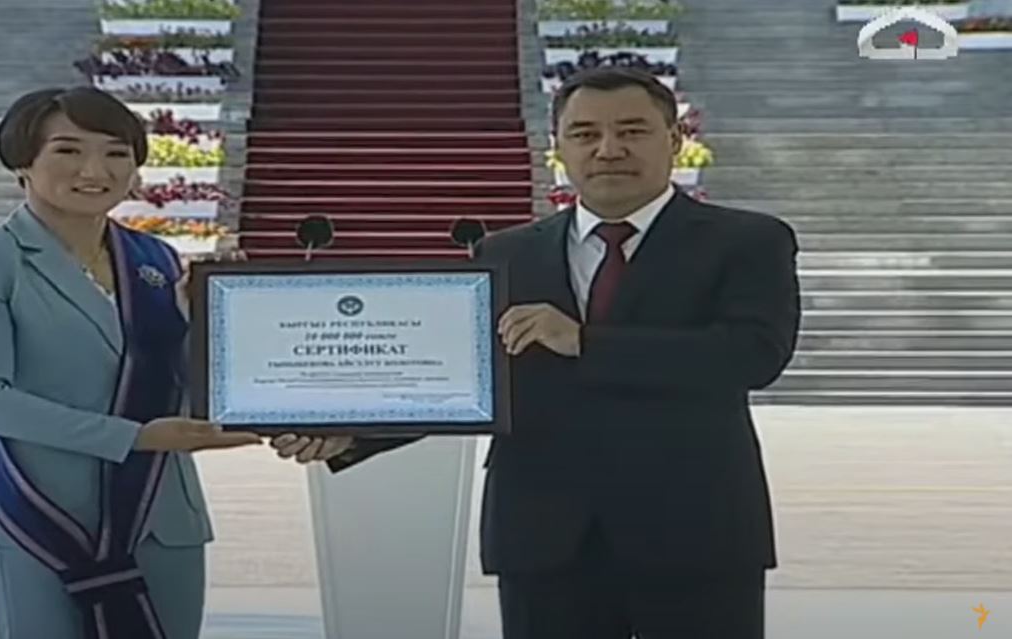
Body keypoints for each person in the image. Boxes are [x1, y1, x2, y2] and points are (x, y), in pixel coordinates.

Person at [273, 67, 802, 639]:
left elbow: (753, 354)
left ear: (674, 139)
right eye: (584, 134)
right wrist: (352, 433)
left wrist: (582, 341)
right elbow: (463, 378)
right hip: (543, 535)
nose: (608, 149)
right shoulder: (506, 253)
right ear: (557, 147)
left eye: (632, 131)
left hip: (696, 531)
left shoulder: (749, 241)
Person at [0, 86, 262, 639]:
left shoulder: (155, 259)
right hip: (44, 520)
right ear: (21, 160)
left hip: (161, 518)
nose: (95, 170)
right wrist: (134, 438)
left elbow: (176, 382)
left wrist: (212, 325)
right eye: (68, 150)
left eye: (115, 152)